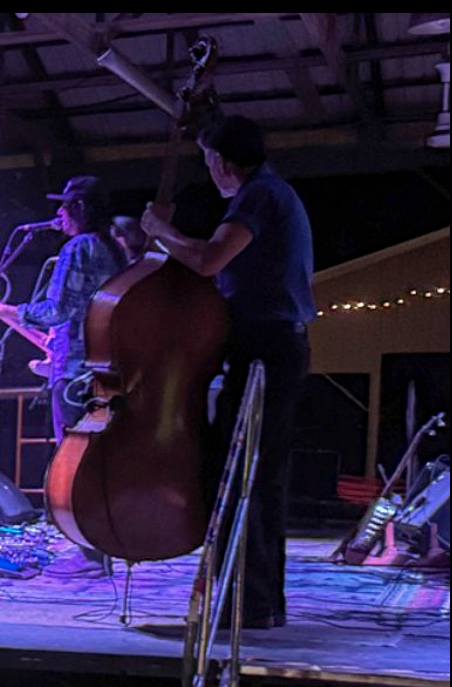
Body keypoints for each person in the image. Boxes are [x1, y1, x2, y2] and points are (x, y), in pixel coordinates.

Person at [143, 115, 315, 629]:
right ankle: (255, 603)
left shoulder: (260, 196)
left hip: (266, 348)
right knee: (250, 472)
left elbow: (209, 259)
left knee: (244, 473)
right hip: (269, 347)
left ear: (221, 162)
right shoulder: (270, 194)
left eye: (207, 160)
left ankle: (249, 605)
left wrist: (159, 231)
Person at [0, 175, 127, 568]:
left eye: (65, 206)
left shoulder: (78, 248)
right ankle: (105, 542)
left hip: (74, 373)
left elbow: (57, 311)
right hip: (108, 369)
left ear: (80, 210)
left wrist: (5, 310)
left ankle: (89, 545)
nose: (57, 214)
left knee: (73, 461)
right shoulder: (117, 250)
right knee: (103, 460)